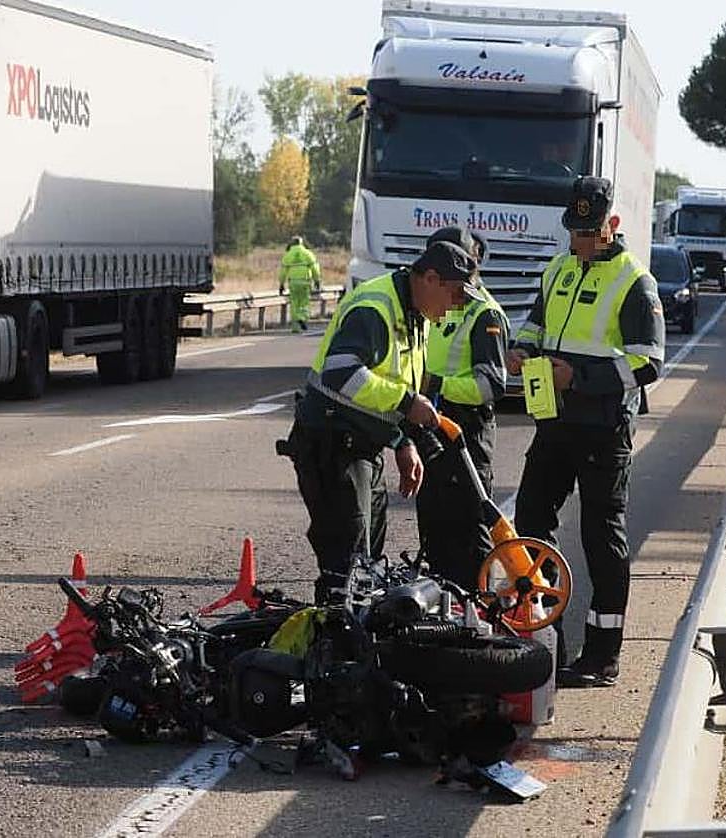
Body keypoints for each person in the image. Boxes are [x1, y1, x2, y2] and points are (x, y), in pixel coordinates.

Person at [507, 176, 665, 688]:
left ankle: (602, 655)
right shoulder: (557, 270)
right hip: (554, 422)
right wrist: (522, 350)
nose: (580, 241)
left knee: (600, 537)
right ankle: (544, 631)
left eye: (589, 232)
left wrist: (578, 377)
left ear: (611, 225)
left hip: (603, 429)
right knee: (530, 520)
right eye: (574, 231)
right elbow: (535, 326)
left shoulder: (634, 281)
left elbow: (648, 362)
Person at [284, 240, 484, 605]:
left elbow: (395, 382)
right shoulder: (375, 308)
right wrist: (406, 404)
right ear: (431, 279)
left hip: (363, 444)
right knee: (346, 563)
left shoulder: (417, 313)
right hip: (332, 443)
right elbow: (341, 374)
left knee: (368, 561)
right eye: (455, 294)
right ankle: (330, 633)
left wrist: (402, 441)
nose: (456, 305)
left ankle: (353, 628)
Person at [415, 227, 509, 590]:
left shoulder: (485, 314)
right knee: (434, 531)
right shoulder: (430, 304)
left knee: (470, 534)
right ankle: (442, 610)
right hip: (432, 430)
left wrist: (436, 384)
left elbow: (491, 385)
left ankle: (479, 611)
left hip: (466, 435)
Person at [279, 236, 322, 333]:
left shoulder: (288, 255)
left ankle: (295, 327)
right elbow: (315, 269)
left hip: (293, 282)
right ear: (301, 243)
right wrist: (317, 280)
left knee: (294, 303)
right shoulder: (307, 253)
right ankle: (302, 318)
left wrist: (281, 284)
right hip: (305, 281)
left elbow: (283, 272)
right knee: (304, 302)